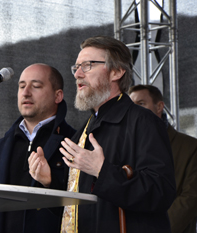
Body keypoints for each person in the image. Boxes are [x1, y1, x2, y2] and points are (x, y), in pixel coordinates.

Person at [32, 36, 176, 233]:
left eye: (88, 65)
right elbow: (76, 210)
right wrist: (49, 181)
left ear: (116, 71)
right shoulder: (84, 129)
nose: (78, 74)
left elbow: (161, 193)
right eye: (76, 67)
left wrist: (102, 170)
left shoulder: (143, 121)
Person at [0, 63, 76, 233]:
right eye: (21, 86)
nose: (26, 92)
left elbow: (81, 212)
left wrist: (50, 183)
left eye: (36, 86)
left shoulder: (73, 142)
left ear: (58, 96)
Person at [129, 84, 197, 233]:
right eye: (131, 105)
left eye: (141, 104)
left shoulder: (190, 147)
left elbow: (191, 198)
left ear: (159, 107)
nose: (134, 110)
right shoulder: (126, 147)